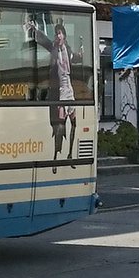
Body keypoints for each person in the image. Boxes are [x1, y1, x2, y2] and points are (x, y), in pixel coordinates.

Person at [26, 18, 83, 171]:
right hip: (59, 93)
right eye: (56, 34)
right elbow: (44, 41)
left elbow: (74, 59)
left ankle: (70, 154)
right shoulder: (53, 48)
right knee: (59, 125)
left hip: (69, 91)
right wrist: (35, 30)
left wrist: (81, 54)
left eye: (60, 34)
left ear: (64, 35)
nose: (58, 36)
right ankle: (56, 158)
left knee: (74, 124)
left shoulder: (68, 50)